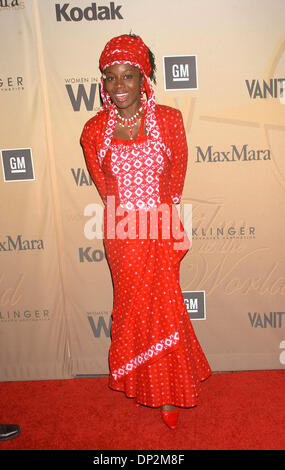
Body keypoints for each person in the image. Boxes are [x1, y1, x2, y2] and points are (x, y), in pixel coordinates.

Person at [80, 34, 211, 429]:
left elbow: (176, 178)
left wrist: (169, 225)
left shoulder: (169, 120)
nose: (118, 86)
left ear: (144, 78)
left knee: (165, 309)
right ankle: (145, 382)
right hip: (121, 234)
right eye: (110, 77)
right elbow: (105, 188)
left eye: (127, 76)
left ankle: (170, 393)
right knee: (136, 310)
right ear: (103, 82)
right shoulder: (92, 131)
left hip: (159, 229)